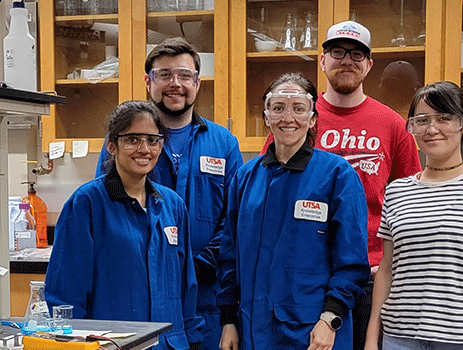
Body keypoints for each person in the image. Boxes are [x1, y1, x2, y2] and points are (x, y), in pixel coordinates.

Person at [263, 20, 422, 348]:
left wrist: (391, 262)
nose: (347, 60)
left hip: (368, 276)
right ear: (322, 62)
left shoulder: (393, 125)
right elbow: (270, 191)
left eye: (357, 54)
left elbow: (410, 201)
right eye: (337, 52)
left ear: (369, 65)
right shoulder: (296, 118)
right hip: (303, 276)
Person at [95, 37, 243, 350]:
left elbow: (234, 220)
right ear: (148, 82)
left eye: (184, 75)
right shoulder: (125, 141)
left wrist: (198, 265)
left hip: (206, 301)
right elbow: (108, 212)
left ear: (198, 83)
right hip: (139, 300)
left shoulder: (224, 144)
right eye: (164, 75)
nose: (175, 84)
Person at [217, 72, 370, 350]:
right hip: (252, 329)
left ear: (312, 119)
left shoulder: (337, 175)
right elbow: (229, 257)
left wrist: (330, 318)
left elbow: (352, 262)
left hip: (315, 333)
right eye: (278, 108)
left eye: (299, 109)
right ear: (266, 117)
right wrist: (228, 321)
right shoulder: (245, 178)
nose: (288, 118)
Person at [365, 81, 463, 350]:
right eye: (422, 120)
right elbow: (387, 271)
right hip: (399, 337)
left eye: (445, 118)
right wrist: (371, 338)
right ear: (411, 127)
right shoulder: (397, 191)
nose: (432, 129)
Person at [45, 100, 204, 350]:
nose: (144, 149)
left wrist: (192, 341)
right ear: (112, 145)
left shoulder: (172, 205)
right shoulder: (87, 203)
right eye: (132, 139)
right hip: (113, 345)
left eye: (153, 140)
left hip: (170, 344)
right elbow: (65, 297)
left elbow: (187, 288)